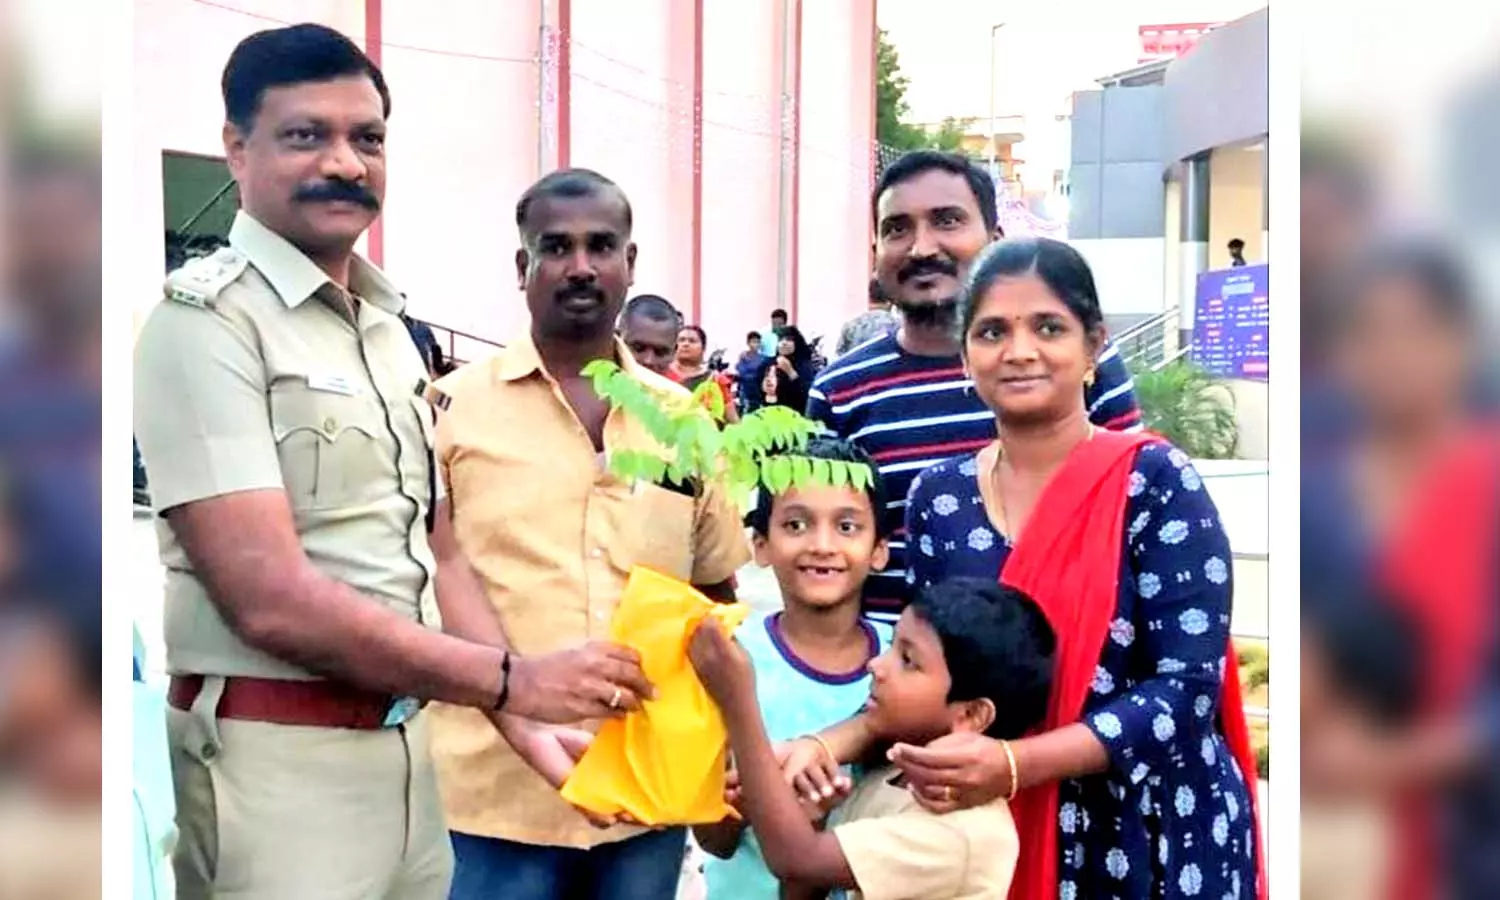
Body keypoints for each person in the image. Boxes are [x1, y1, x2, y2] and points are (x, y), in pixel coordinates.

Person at [132, 27, 651, 899]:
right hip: (278, 772)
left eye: (366, 138)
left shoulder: (388, 333)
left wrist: (524, 724)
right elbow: (268, 598)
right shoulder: (206, 326)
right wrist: (514, 679)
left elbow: (440, 555)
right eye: (307, 135)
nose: (345, 162)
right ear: (236, 148)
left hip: (409, 763)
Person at [792, 236, 1264, 900]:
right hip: (991, 826)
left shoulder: (1153, 482)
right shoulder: (939, 499)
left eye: (1048, 327)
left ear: (1094, 346)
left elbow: (1187, 689)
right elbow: (927, 678)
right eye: (992, 331)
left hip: (1148, 828)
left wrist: (1015, 764)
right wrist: (822, 747)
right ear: (965, 357)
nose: (1019, 350)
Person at [425, 167, 753, 900]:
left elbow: (715, 591)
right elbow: (432, 579)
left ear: (629, 263)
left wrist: (725, 742)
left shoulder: (684, 421)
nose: (580, 266)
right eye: (556, 247)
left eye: (601, 246)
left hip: (645, 790)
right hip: (492, 798)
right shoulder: (452, 409)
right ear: (523, 266)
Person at [807, 150, 1141, 621]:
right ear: (876, 252)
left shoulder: (1076, 365)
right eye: (897, 229)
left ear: (995, 241)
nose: (922, 248)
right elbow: (817, 547)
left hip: (1076, 653)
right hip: (892, 657)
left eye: (947, 221)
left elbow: (1132, 515)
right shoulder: (839, 392)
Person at [1301, 240, 1500, 900]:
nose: (1394, 353)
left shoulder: (1487, 481)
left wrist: (1402, 760)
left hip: (1476, 834)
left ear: (1462, 340)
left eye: (1418, 329)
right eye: (1369, 332)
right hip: (1333, 833)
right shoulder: (1315, 498)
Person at [689, 577, 1054, 899]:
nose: (876, 665)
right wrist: (811, 820)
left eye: (908, 660)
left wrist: (739, 703)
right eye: (891, 646)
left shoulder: (960, 832)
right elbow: (801, 882)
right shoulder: (890, 772)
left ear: (971, 715)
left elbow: (797, 862)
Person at [691, 437, 894, 900]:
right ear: (761, 545)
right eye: (796, 524)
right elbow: (713, 840)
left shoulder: (903, 659)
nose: (822, 546)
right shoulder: (730, 658)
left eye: (847, 526)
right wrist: (751, 800)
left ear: (879, 549)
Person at [671, 323, 739, 423]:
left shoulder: (714, 379)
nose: (685, 344)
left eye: (692, 341)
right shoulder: (661, 374)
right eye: (681, 340)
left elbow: (733, 421)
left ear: (703, 348)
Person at [617, 293, 682, 376]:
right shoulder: (600, 382)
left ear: (674, 353)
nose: (648, 361)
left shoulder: (678, 384)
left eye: (660, 352)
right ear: (617, 340)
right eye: (638, 348)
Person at [835, 278, 899, 356]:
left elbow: (840, 355)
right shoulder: (897, 327)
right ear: (891, 300)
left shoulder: (851, 326)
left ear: (869, 297)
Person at [759, 325, 816, 413]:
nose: (784, 343)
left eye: (789, 339)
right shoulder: (769, 363)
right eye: (780, 340)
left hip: (795, 414)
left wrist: (790, 372)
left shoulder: (805, 365)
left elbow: (808, 395)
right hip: (771, 413)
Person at [736, 331, 765, 411]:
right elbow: (740, 372)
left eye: (758, 342)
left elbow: (761, 375)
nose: (756, 344)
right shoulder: (743, 356)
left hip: (757, 391)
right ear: (748, 343)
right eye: (754, 342)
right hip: (745, 391)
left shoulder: (762, 358)